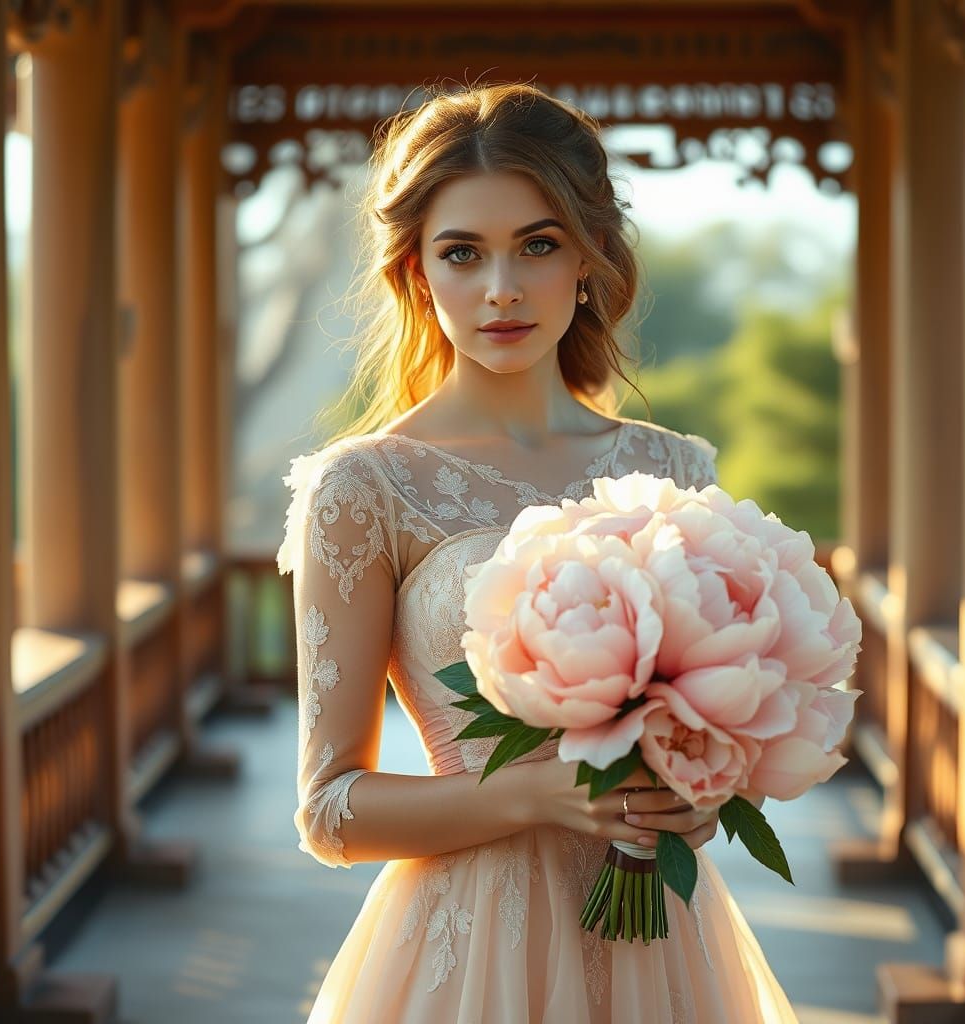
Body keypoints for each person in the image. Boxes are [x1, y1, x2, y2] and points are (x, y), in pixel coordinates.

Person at [276, 82, 799, 1023]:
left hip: (665, 949)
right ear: (415, 273)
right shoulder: (362, 489)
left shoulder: (672, 468)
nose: (502, 289)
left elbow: (706, 731)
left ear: (590, 260)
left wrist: (698, 803)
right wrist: (545, 796)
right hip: (467, 955)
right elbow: (329, 811)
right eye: (462, 254)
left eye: (539, 245)